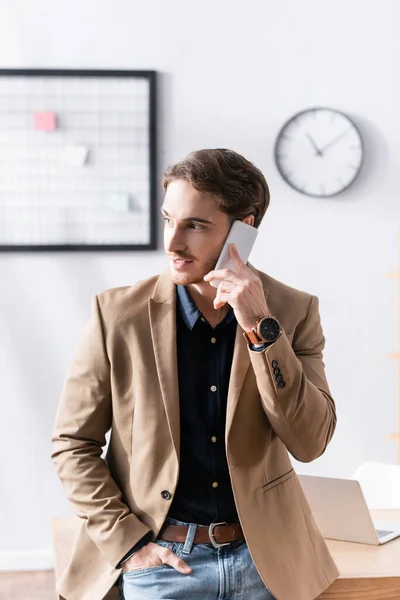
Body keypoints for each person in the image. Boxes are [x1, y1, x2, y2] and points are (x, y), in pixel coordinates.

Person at [51, 149, 339, 600]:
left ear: (243, 229)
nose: (172, 243)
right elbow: (72, 444)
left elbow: (310, 441)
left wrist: (262, 330)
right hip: (161, 563)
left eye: (195, 225)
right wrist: (130, 547)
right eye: (169, 220)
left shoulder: (292, 312)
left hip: (264, 564)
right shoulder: (117, 315)